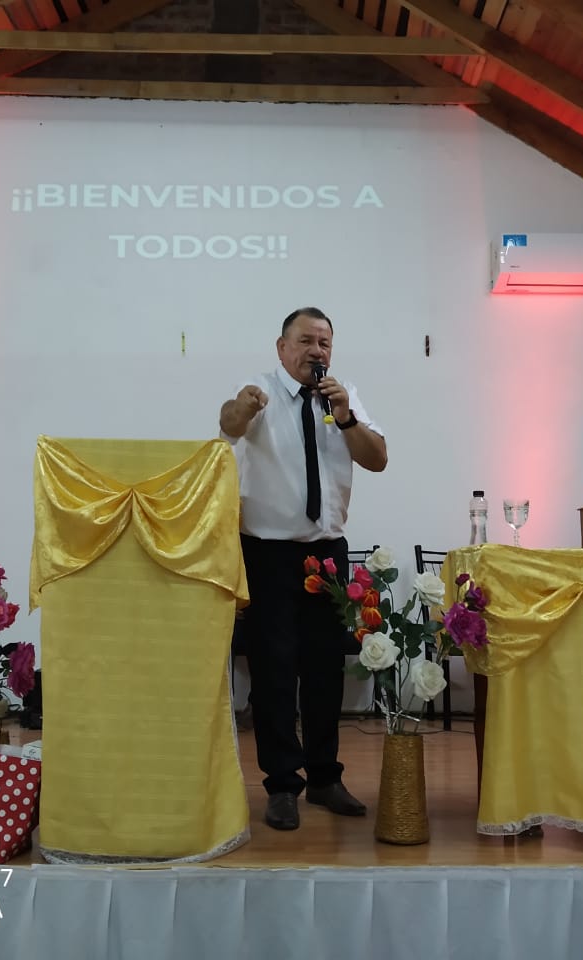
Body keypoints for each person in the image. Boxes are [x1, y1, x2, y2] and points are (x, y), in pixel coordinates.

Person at [219, 306, 387, 831]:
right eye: (307, 341)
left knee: (324, 671)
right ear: (282, 347)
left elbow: (378, 458)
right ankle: (282, 785)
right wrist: (243, 407)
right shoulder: (260, 390)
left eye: (325, 343)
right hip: (268, 554)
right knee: (273, 673)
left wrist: (348, 417)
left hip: (327, 553)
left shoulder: (343, 396)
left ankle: (325, 778)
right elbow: (228, 423)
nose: (317, 351)